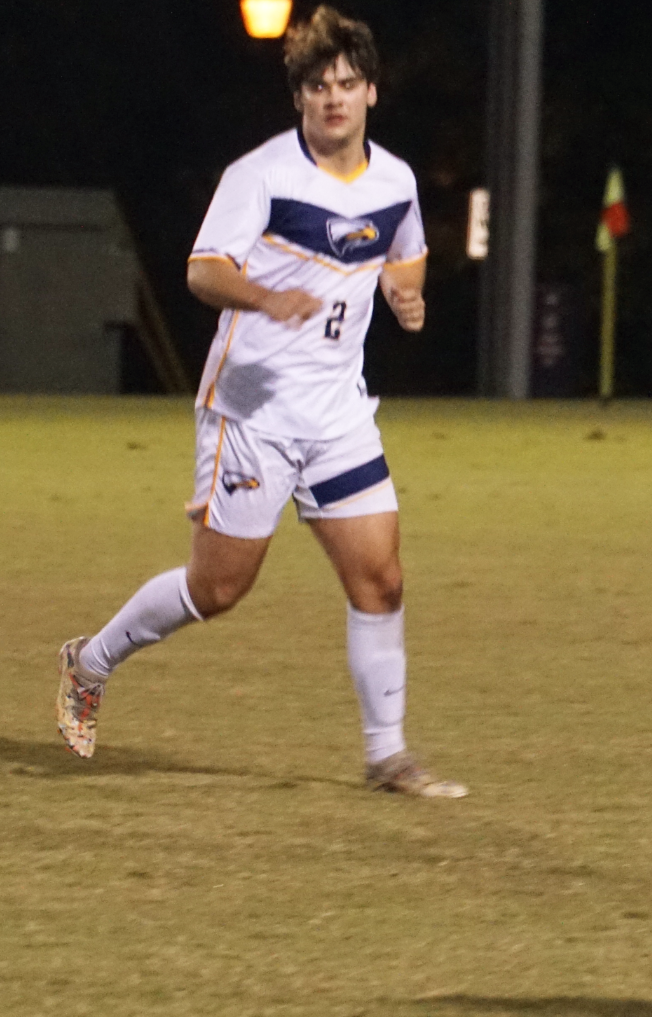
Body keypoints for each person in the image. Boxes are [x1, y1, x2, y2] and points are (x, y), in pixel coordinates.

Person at [54, 7, 464, 799]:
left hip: (338, 410)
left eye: (347, 83)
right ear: (300, 98)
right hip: (251, 403)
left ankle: (388, 757)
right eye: (318, 86)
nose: (333, 98)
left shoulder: (396, 182)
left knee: (380, 580)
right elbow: (204, 271)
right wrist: (264, 296)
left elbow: (403, 259)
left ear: (371, 91)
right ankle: (89, 661)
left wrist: (407, 297)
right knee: (218, 590)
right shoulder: (263, 175)